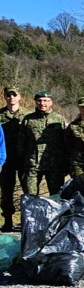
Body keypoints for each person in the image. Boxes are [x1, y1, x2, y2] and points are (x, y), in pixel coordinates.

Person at [20, 90, 67, 196]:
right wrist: (21, 162)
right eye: (39, 100)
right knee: (30, 197)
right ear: (36, 102)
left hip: (54, 164)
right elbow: (21, 142)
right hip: (33, 164)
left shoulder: (59, 119)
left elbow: (65, 143)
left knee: (56, 197)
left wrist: (65, 163)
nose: (42, 103)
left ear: (51, 102)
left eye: (45, 100)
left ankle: (55, 214)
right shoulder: (28, 119)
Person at [0, 85, 31, 231]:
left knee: (28, 190)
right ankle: (7, 220)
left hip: (24, 159)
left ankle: (27, 221)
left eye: (14, 95)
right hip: (6, 160)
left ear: (19, 96)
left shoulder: (28, 115)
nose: (11, 97)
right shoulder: (0, 115)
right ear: (5, 96)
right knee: (6, 191)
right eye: (8, 95)